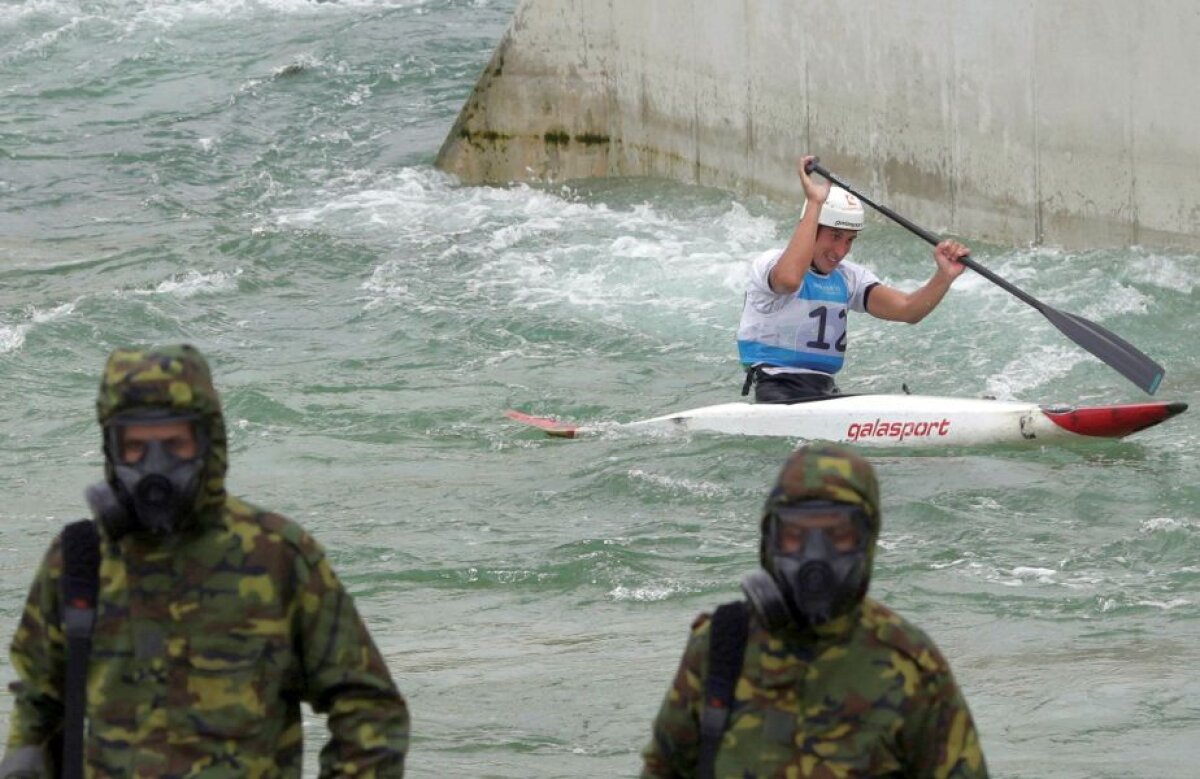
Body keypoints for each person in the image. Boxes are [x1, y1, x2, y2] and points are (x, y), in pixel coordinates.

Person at [1, 344, 409, 778]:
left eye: (174, 444)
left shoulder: (276, 556)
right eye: (136, 447)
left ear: (207, 442)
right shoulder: (79, 561)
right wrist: (22, 758)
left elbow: (369, 708)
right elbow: (38, 706)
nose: (156, 465)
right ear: (111, 448)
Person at [641, 442, 987, 778]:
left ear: (866, 543)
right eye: (795, 535)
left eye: (838, 535)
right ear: (769, 541)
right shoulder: (721, 647)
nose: (815, 557)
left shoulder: (911, 665)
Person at [737, 154, 971, 402]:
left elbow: (908, 310)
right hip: (776, 387)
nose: (840, 251)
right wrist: (815, 203)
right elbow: (789, 281)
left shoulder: (848, 277)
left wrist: (944, 276)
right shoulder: (769, 263)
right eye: (834, 236)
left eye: (849, 240)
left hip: (824, 389)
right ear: (812, 227)